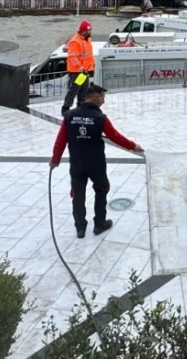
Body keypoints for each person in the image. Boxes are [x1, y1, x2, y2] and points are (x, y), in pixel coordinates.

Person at [49, 84, 144, 238]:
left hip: (77, 164)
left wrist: (55, 160)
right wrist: (133, 146)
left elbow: (60, 141)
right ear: (94, 97)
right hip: (96, 164)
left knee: (77, 195)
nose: (103, 101)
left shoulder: (69, 116)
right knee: (101, 191)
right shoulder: (100, 118)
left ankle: (80, 228)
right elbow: (115, 137)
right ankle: (99, 224)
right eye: (102, 97)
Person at [61, 20, 95, 115]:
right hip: (77, 72)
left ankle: (81, 107)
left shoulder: (87, 39)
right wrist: (80, 68)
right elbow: (72, 57)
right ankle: (66, 108)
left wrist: (92, 67)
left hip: (85, 71)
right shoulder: (75, 41)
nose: (90, 33)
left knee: (84, 90)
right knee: (74, 90)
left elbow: (90, 55)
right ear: (83, 31)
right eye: (88, 31)